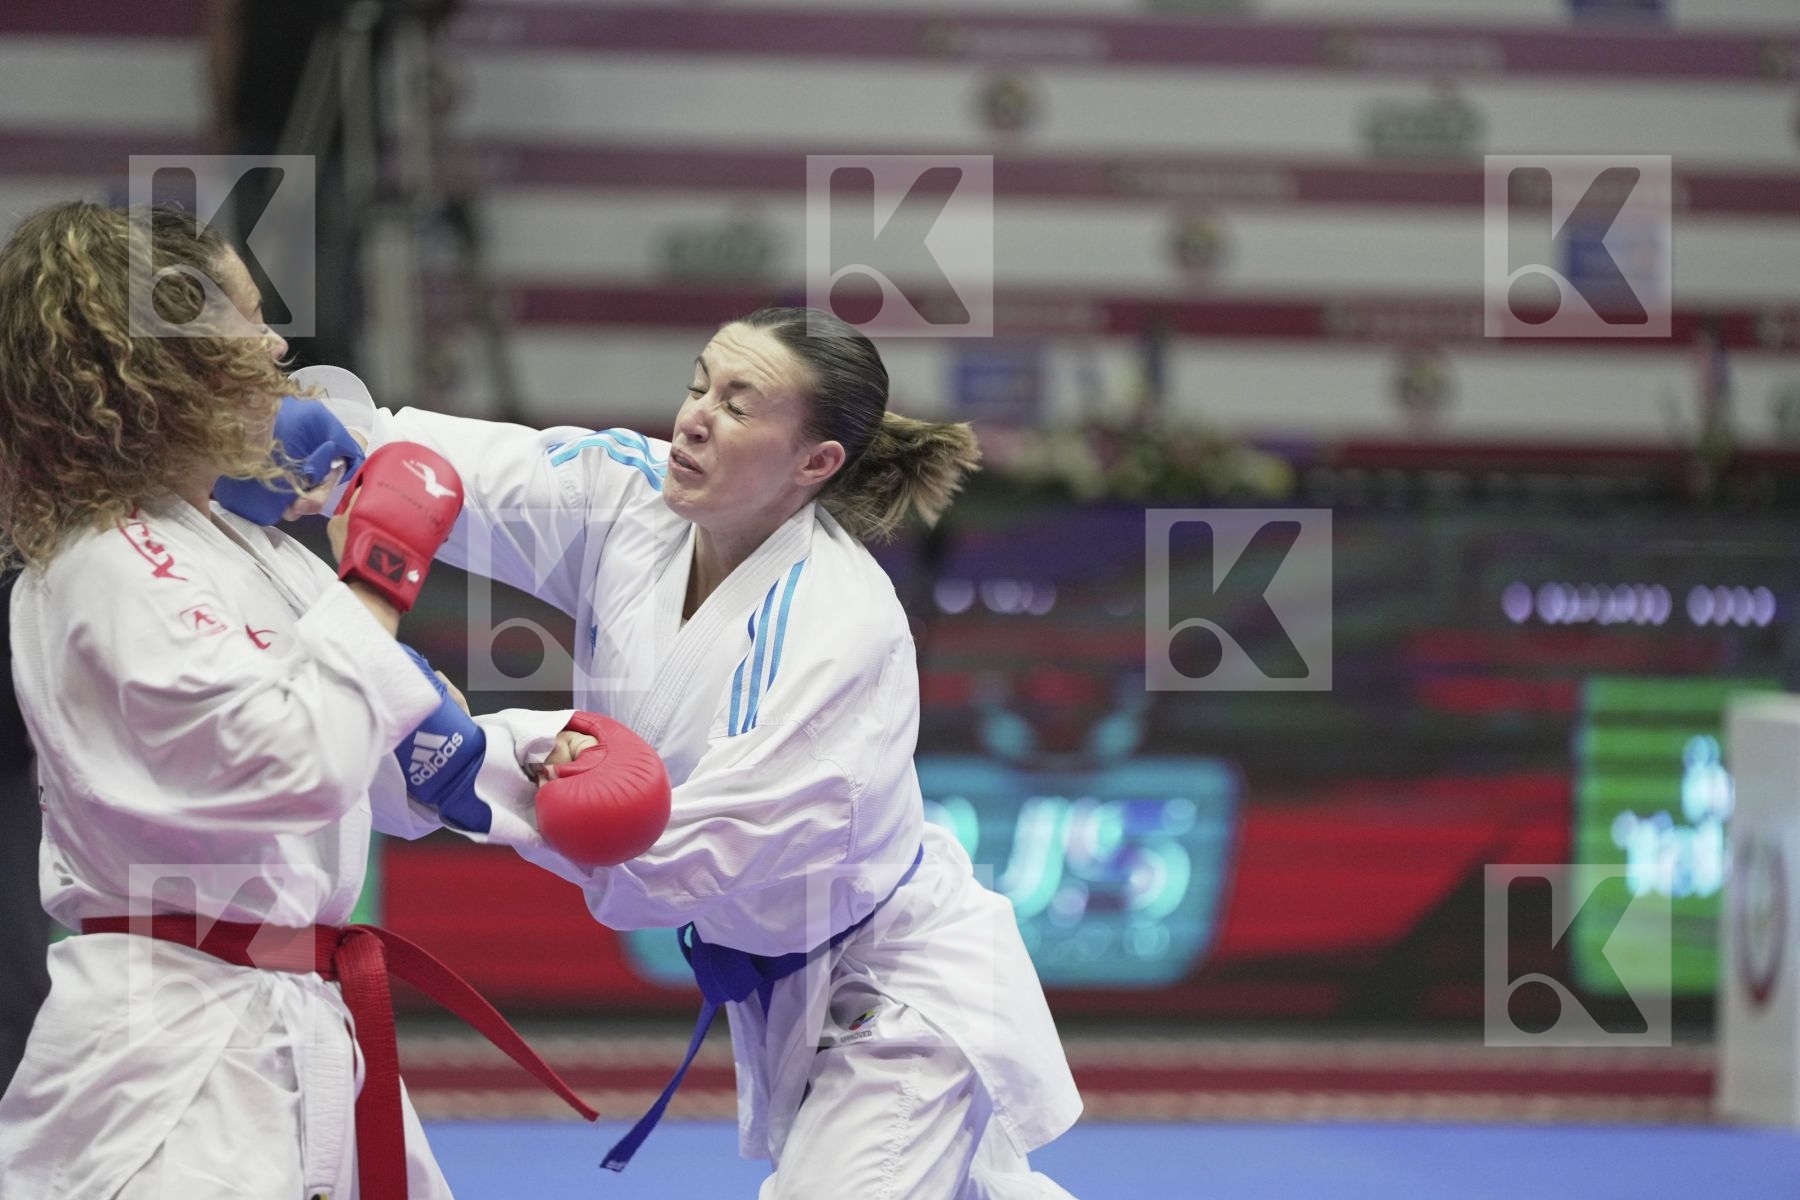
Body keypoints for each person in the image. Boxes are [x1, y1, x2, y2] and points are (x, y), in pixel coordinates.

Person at [327, 307, 1084, 1197]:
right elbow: (442, 469)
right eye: (698, 384)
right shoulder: (631, 495)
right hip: (794, 986)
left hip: (896, 991)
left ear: (815, 462)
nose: (693, 416)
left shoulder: (839, 625)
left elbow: (672, 846)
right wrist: (319, 439)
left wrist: (471, 760)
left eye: (737, 404)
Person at [0, 200, 648, 1199]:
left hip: (296, 1030)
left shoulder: (241, 547)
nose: (275, 345)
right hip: (171, 1066)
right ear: (161, 360)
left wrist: (525, 755)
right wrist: (380, 574)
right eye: (246, 320)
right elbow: (293, 764)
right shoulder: (106, 567)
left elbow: (394, 763)